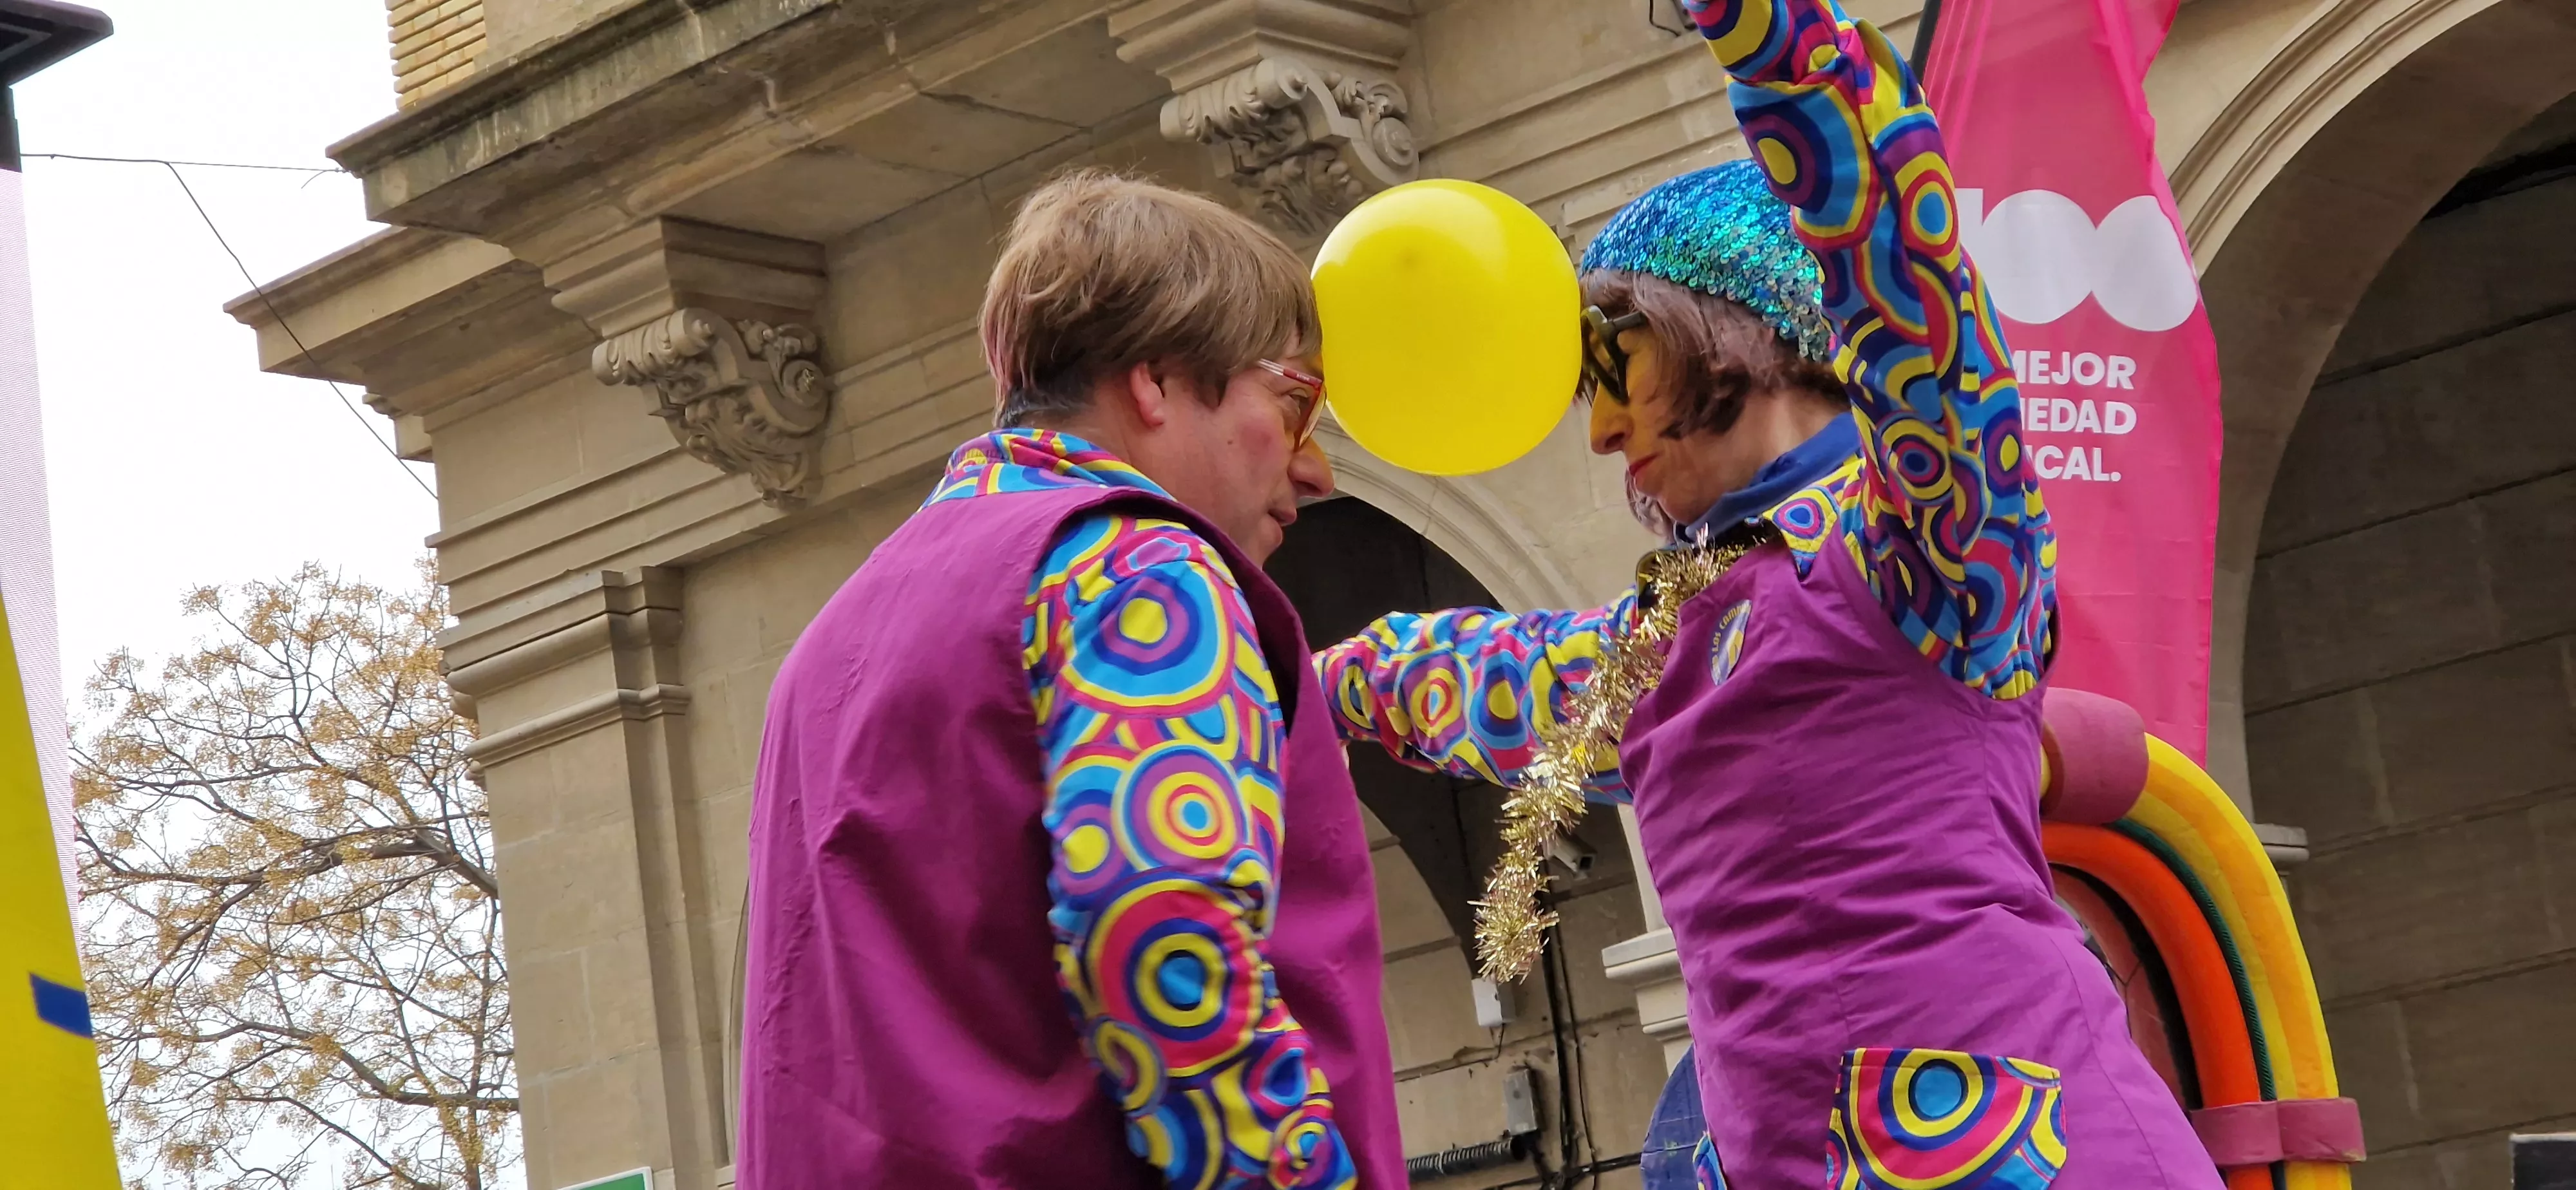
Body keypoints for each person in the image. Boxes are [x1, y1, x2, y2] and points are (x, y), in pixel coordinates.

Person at [1316, 1, 2221, 1187]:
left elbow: (1907, 260)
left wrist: (1775, 30)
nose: (1597, 431)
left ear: (1727, 330)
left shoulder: (1935, 545)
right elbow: (1409, 678)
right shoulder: (1645, 651)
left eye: (1608, 359)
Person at [739, 170, 1401, 1190]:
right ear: (1157, 381)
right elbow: (1162, 930)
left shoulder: (827, 645)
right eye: (1296, 402)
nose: (1315, 470)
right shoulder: (1142, 570)